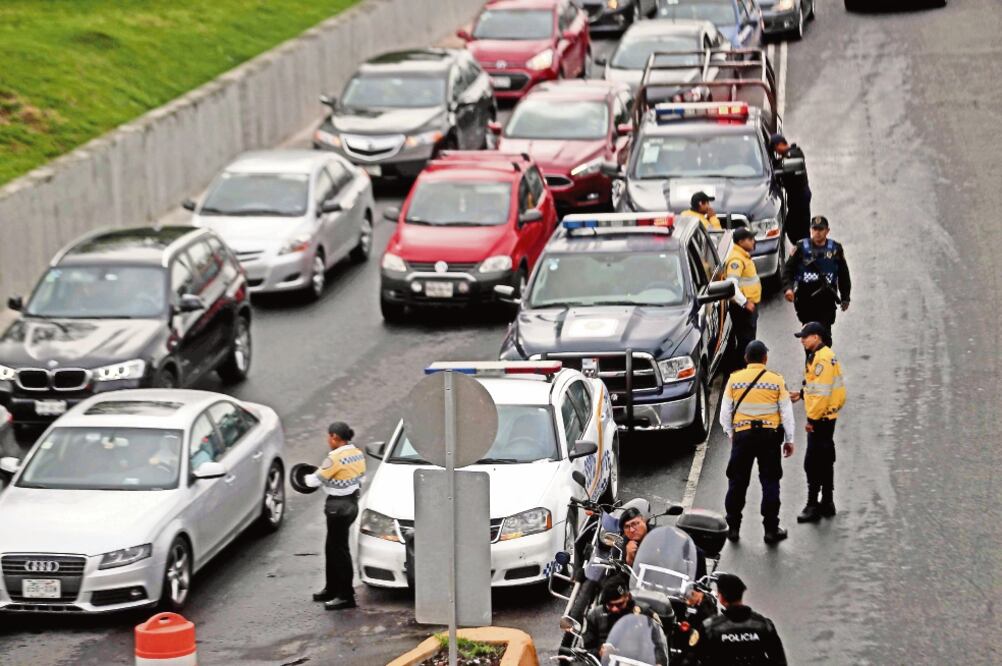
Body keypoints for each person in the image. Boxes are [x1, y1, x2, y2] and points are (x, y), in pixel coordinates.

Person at [718, 341, 795, 544]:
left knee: (737, 482)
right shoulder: (777, 380)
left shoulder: (734, 380)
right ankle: (770, 530)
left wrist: (731, 433)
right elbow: (786, 413)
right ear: (765, 359)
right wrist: (789, 440)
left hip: (742, 436)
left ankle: (733, 528)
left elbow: (725, 413)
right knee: (770, 482)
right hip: (769, 437)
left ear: (746, 358)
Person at [305, 421, 366, 610]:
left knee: (339, 550)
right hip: (351, 504)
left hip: (337, 508)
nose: (328, 440)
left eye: (328, 437)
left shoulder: (335, 458)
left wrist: (302, 477)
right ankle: (331, 588)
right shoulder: (357, 453)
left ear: (334, 437)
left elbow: (313, 481)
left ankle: (346, 596)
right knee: (332, 547)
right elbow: (360, 477)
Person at [790, 322, 847, 523]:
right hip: (827, 417)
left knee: (812, 462)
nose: (802, 341)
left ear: (816, 337)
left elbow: (822, 394)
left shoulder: (822, 359)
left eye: (805, 337)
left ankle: (813, 505)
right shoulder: (822, 356)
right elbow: (818, 387)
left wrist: (811, 420)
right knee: (825, 459)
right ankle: (828, 502)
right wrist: (802, 394)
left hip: (821, 419)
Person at [782, 216, 850, 349]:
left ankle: (824, 359)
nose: (817, 232)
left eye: (821, 229)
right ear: (811, 230)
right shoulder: (801, 248)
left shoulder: (835, 249)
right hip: (806, 300)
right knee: (809, 338)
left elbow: (843, 274)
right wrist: (788, 289)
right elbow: (788, 271)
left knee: (825, 338)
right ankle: (811, 360)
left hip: (826, 300)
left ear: (827, 231)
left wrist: (845, 297)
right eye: (815, 229)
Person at [696, 573, 787, 665]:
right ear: (741, 594)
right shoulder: (764, 625)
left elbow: (697, 659)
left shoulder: (710, 628)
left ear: (721, 597)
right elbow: (779, 661)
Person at [581, 574, 667, 664]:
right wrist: (599, 652)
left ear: (628, 597)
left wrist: (659, 662)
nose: (615, 609)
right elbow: (586, 649)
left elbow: (659, 644)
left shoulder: (644, 613)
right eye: (610, 605)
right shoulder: (595, 616)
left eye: (619, 604)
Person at [724, 227, 761, 371]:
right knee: (746, 341)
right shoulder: (736, 260)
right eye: (750, 239)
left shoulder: (743, 256)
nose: (753, 241)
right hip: (743, 309)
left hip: (748, 306)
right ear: (741, 242)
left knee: (748, 339)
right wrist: (744, 302)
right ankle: (744, 370)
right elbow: (731, 284)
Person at [770, 133, 811, 245]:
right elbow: (776, 165)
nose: (776, 151)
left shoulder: (794, 154)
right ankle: (801, 247)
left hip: (800, 197)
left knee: (801, 228)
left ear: (780, 144)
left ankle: (806, 250)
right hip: (794, 198)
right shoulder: (786, 156)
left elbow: (780, 167)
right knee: (792, 227)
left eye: (775, 148)